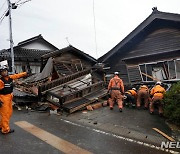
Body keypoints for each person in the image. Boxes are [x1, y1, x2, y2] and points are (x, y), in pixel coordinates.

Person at [0, 65, 27, 134]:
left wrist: (25, 73)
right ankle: (5, 129)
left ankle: (1, 125)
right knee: (5, 114)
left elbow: (16, 76)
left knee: (9, 113)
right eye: (2, 72)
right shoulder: (1, 81)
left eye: (5, 71)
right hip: (3, 98)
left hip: (9, 97)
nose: (4, 72)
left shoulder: (9, 78)